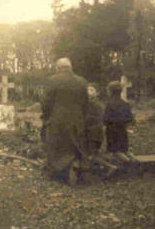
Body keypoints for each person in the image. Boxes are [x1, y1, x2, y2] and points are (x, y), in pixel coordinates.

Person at [41, 57, 88, 186]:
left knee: (57, 145)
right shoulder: (82, 81)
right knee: (75, 144)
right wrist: (82, 117)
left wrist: (46, 117)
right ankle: (76, 166)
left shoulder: (52, 80)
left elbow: (45, 102)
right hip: (77, 120)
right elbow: (85, 103)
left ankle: (59, 173)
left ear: (58, 68)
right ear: (70, 67)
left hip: (58, 120)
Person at [85, 83, 117, 177]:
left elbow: (99, 119)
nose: (89, 92)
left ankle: (110, 167)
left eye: (91, 90)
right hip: (90, 132)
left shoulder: (97, 105)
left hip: (94, 133)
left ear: (97, 93)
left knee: (92, 155)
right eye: (87, 90)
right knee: (92, 153)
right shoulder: (87, 104)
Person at [103, 81, 137, 163]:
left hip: (112, 131)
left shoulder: (110, 104)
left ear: (110, 91)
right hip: (122, 130)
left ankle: (129, 164)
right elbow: (130, 118)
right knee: (124, 150)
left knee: (116, 151)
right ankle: (135, 161)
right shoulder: (125, 103)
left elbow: (105, 119)